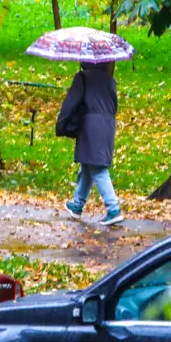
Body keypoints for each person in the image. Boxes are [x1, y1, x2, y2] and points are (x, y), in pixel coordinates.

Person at [57, 61, 123, 226]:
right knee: (88, 164)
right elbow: (114, 104)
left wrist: (62, 123)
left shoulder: (83, 78)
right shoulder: (109, 79)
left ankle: (113, 208)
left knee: (98, 168)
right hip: (107, 124)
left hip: (90, 126)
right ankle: (77, 205)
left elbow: (71, 102)